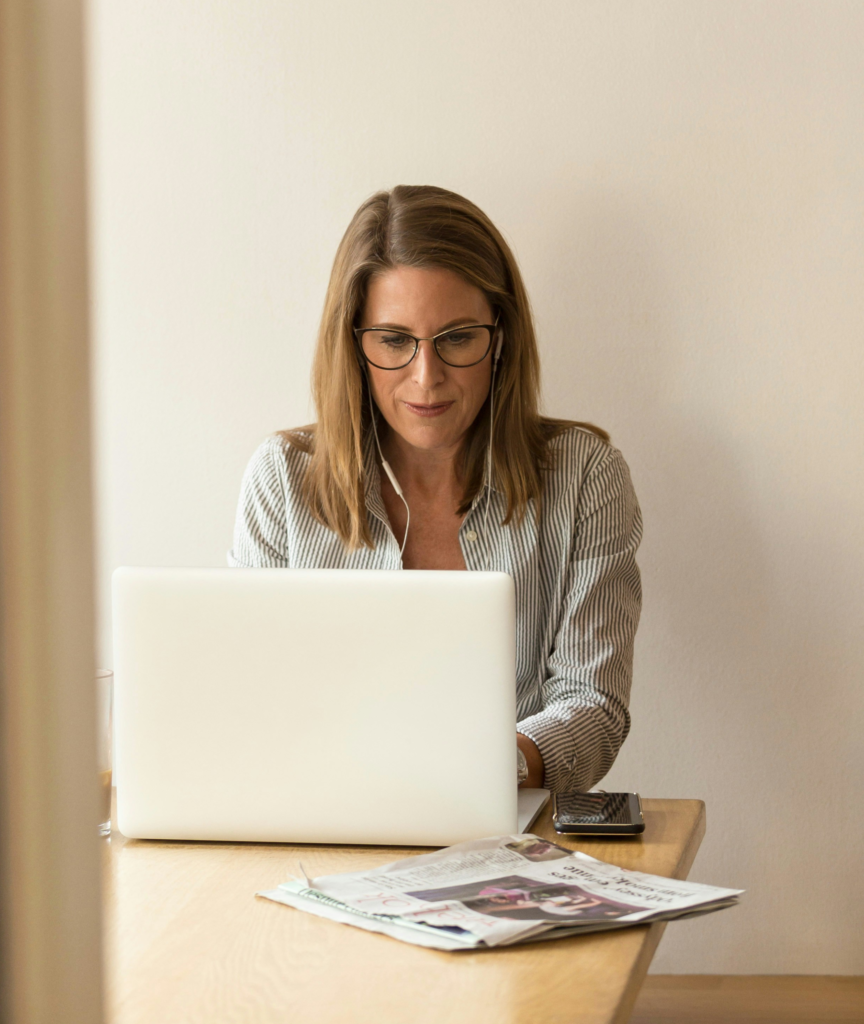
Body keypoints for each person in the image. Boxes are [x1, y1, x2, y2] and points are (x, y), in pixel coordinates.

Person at [228, 185, 642, 793]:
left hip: (510, 837)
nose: (427, 378)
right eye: (394, 341)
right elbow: (248, 703)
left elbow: (594, 707)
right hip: (321, 826)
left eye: (457, 338)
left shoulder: (584, 476)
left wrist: (484, 769)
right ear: (354, 345)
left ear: (500, 337)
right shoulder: (281, 480)